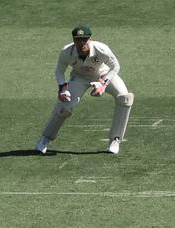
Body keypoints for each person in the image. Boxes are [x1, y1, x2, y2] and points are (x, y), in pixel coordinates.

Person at [35, 26, 133, 155]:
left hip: (102, 74)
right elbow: (59, 71)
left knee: (125, 98)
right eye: (78, 40)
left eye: (84, 40)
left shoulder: (102, 49)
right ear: (74, 40)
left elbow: (115, 66)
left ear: (90, 39)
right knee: (65, 107)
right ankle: (45, 138)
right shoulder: (66, 51)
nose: (81, 43)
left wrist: (104, 83)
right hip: (79, 78)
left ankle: (115, 139)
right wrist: (62, 88)